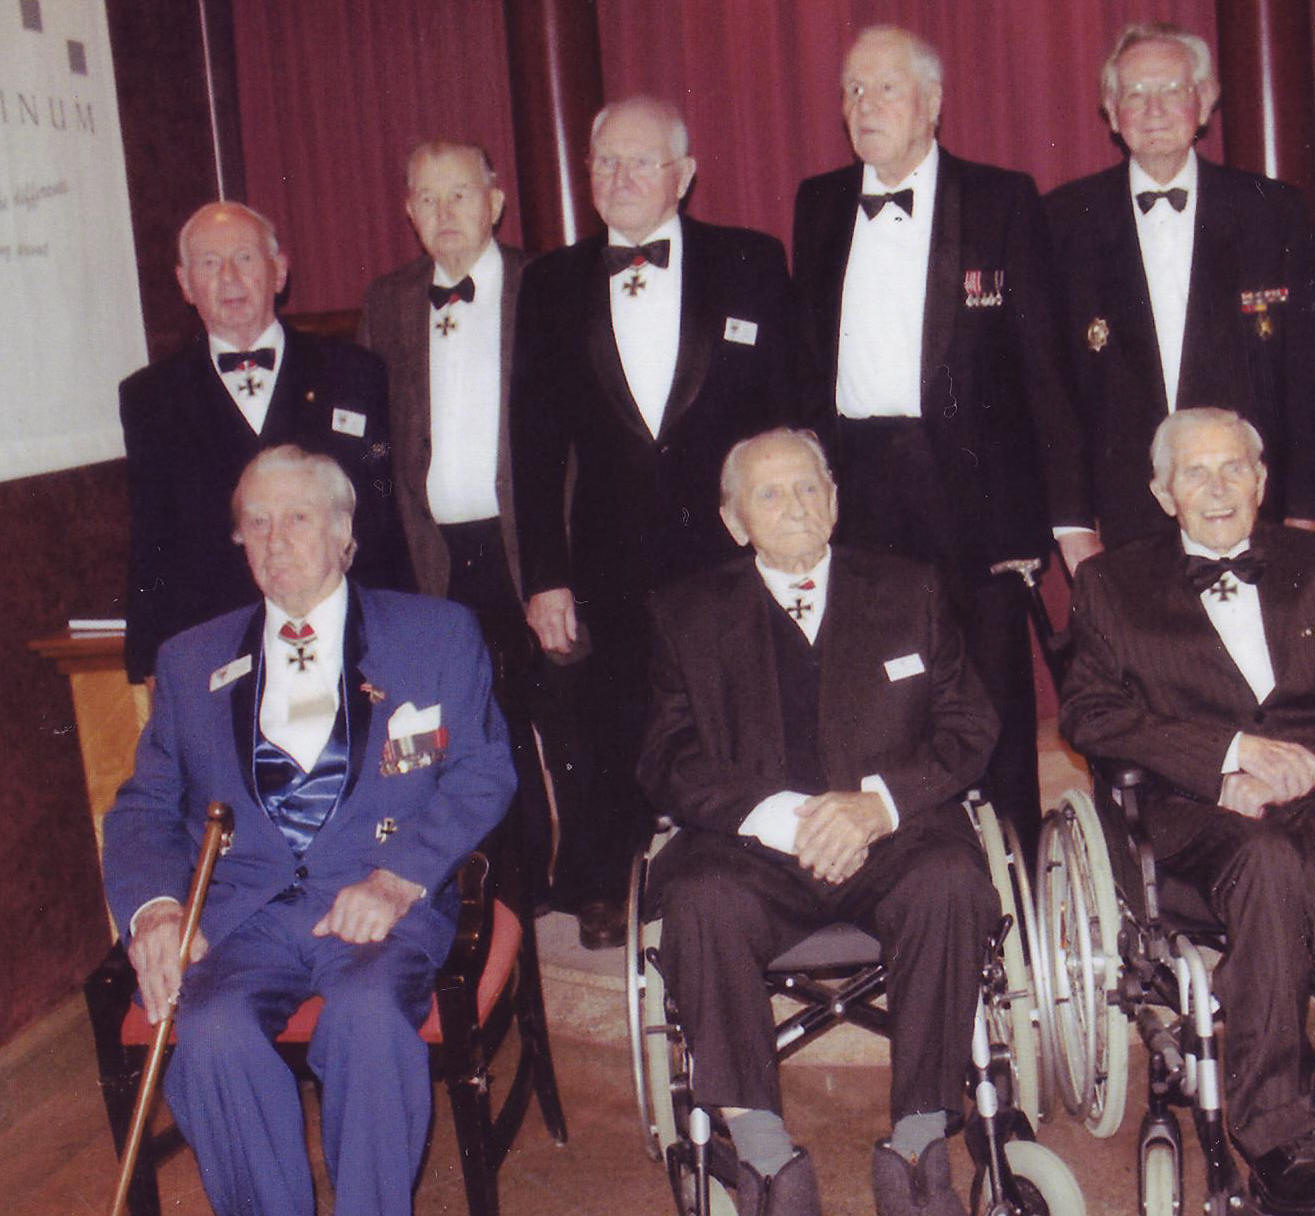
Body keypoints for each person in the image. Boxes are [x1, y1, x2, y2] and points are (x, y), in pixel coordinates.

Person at [100, 445, 515, 1216]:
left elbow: (483, 773)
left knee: (367, 1017)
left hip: (378, 904)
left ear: (343, 533)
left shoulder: (434, 634)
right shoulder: (190, 661)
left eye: (296, 518)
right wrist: (155, 909)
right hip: (245, 917)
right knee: (211, 1028)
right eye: (255, 523)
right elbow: (144, 805)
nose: (274, 540)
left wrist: (398, 878)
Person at [1063, 408, 1315, 1216]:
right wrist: (1227, 757)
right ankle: (1282, 1144)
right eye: (1194, 473)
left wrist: (1310, 762)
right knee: (1268, 861)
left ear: (1261, 479)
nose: (1217, 489)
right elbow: (1092, 714)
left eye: (1234, 468)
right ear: (1162, 493)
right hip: (1192, 806)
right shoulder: (1110, 585)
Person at [639, 429, 999, 1216]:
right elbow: (666, 755)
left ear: (835, 501)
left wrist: (878, 806)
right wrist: (774, 817)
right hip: (753, 849)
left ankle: (919, 1143)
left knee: (951, 879)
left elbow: (969, 726)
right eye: (769, 494)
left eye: (809, 487)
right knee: (699, 900)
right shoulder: (685, 614)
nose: (795, 506)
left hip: (894, 839)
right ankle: (766, 1154)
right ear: (733, 520)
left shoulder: (910, 590)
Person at [792, 25, 1090, 849]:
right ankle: (906, 866)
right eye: (853, 90)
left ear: (932, 103)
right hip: (855, 485)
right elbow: (807, 364)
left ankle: (1015, 863)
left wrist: (1061, 518)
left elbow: (1043, 368)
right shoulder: (818, 203)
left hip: (975, 490)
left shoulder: (1001, 198)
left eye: (885, 88)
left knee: (989, 687)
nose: (865, 105)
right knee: (879, 691)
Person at [510, 96, 796, 947]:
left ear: (684, 175)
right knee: (614, 717)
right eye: (605, 161)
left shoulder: (750, 260)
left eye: (641, 161)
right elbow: (532, 443)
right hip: (609, 549)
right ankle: (614, 881)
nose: (621, 177)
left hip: (729, 543)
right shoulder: (551, 283)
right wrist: (545, 576)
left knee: (739, 710)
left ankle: (752, 874)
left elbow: (790, 408)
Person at [1044, 21, 1315, 546]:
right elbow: (1053, 392)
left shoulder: (1274, 214)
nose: (1153, 110)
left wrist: (1307, 520)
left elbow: (1308, 378)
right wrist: (1074, 529)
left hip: (1252, 505)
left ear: (1203, 103)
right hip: (1122, 519)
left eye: (1172, 90)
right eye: (1136, 93)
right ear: (1112, 110)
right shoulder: (1063, 221)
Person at [357, 139, 555, 903]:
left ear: (495, 203)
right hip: (435, 550)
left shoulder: (543, 284)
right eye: (427, 198)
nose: (444, 212)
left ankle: (592, 881)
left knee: (561, 709)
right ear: (408, 211)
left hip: (528, 539)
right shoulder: (387, 301)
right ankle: (501, 886)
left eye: (460, 194)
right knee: (467, 722)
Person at [121, 201, 410, 683]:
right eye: (209, 263)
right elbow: (152, 538)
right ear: (185, 284)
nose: (229, 277)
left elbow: (383, 512)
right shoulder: (150, 398)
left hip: (345, 639)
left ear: (279, 271)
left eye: (245, 258)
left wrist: (400, 629)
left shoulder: (354, 372)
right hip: (217, 649)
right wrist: (151, 660)